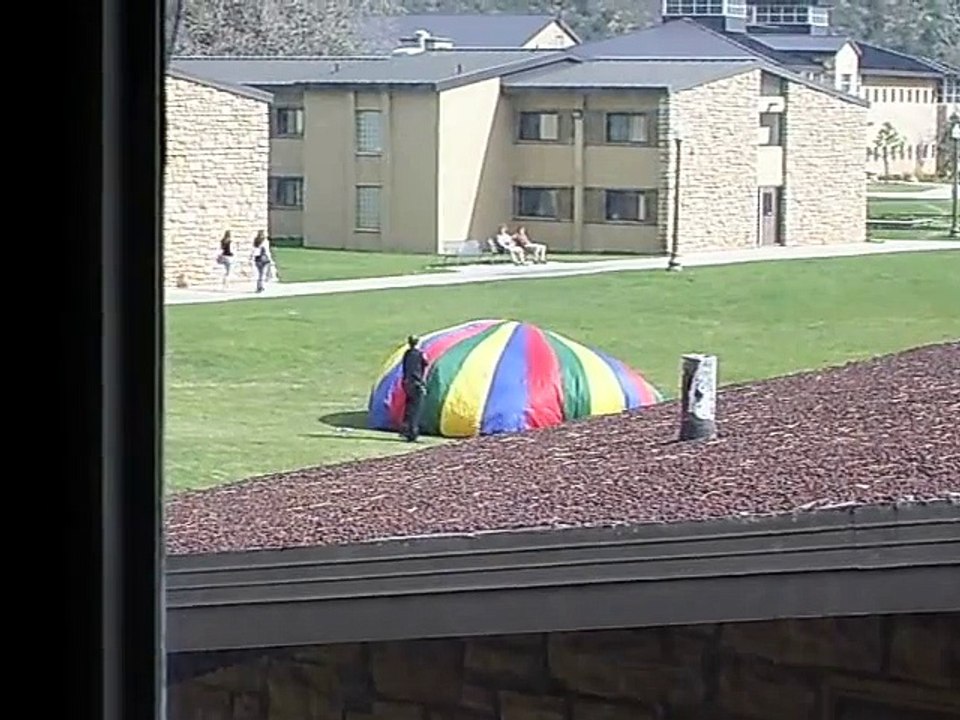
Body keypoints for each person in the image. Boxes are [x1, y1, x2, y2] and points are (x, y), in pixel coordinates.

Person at [400, 335, 428, 442]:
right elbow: (425, 364)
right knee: (415, 409)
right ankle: (412, 433)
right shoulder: (419, 354)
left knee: (409, 407)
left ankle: (405, 430)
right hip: (416, 384)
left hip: (406, 383)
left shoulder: (407, 354)